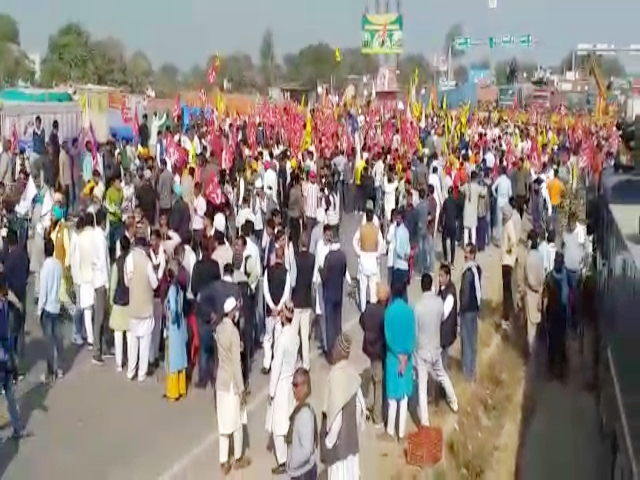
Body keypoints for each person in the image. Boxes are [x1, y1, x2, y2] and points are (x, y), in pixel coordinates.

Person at [413, 273, 458, 426]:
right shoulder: (439, 302)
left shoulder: (417, 307)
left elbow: (415, 331)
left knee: (422, 386)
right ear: (431, 285)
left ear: (421, 287)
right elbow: (442, 318)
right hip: (436, 347)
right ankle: (454, 401)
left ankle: (425, 421)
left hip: (422, 350)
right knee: (442, 375)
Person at [321, 333, 366, 479]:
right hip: (351, 441)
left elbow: (336, 415)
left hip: (339, 446)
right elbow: (360, 406)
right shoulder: (352, 374)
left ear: (338, 352)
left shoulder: (335, 376)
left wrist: (329, 442)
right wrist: (356, 429)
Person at [215, 296, 251, 474]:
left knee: (223, 422)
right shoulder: (234, 333)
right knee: (237, 421)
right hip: (231, 382)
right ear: (231, 312)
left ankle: (223, 461)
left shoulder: (220, 329)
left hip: (220, 380)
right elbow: (236, 363)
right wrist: (242, 387)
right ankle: (237, 457)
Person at [266, 301, 300, 474]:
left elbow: (276, 366)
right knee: (289, 419)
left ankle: (283, 460)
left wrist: (271, 392)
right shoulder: (295, 335)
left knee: (278, 425)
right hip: (291, 381)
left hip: (281, 384)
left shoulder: (283, 340)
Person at [381, 281, 416, 441]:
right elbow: (413, 336)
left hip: (393, 359)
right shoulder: (410, 312)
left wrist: (397, 355)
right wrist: (405, 355)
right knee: (403, 398)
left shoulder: (389, 312)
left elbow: (388, 337)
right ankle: (401, 434)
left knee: (392, 397)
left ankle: (389, 431)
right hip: (406, 360)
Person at [124, 236, 159, 382]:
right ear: (144, 247)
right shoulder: (147, 262)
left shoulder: (129, 259)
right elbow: (155, 284)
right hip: (146, 307)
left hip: (133, 306)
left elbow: (127, 282)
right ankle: (141, 374)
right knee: (145, 343)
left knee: (133, 342)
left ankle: (131, 371)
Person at [359, 282, 389, 427]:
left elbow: (361, 321)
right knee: (379, 383)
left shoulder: (370, 308)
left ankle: (367, 408)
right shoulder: (385, 313)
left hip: (369, 348)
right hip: (379, 351)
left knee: (373, 378)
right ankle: (377, 417)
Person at [37, 238, 64, 382]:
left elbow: (43, 292)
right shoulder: (58, 265)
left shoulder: (45, 268)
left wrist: (38, 309)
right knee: (58, 340)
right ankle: (59, 369)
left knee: (49, 342)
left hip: (47, 308)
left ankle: (50, 372)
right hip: (57, 306)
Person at [0, 279, 24, 439]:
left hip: (3, 353)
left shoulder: (3, 303)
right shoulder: (3, 303)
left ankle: (16, 427)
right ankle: (16, 428)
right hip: (4, 354)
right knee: (9, 393)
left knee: (8, 391)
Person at [262, 247, 291, 373]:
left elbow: (265, 290)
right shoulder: (286, 272)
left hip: (270, 311)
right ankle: (276, 364)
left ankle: (266, 363)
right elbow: (286, 293)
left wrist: (272, 306)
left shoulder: (268, 271)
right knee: (278, 338)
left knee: (268, 337)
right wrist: (279, 307)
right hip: (280, 313)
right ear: (283, 258)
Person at [352, 202, 385, 312]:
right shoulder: (376, 230)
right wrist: (377, 254)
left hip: (364, 258)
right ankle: (372, 308)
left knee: (362, 287)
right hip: (373, 260)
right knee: (372, 287)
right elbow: (381, 243)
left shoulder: (361, 228)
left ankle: (363, 309)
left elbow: (354, 241)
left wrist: (359, 252)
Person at [287, 367, 318, 480]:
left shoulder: (304, 414)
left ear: (305, 386)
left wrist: (291, 464)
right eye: (293, 385)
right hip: (302, 470)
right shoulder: (303, 405)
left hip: (302, 473)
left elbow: (306, 450)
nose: (293, 389)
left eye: (296, 385)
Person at [542, 253, 569, 380]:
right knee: (561, 341)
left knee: (552, 341)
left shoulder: (549, 277)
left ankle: (551, 369)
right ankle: (562, 371)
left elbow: (545, 296)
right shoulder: (566, 276)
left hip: (552, 313)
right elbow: (571, 294)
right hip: (561, 312)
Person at [165, 259, 189, 401]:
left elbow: (173, 309)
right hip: (181, 327)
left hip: (174, 327)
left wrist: (170, 317)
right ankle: (181, 388)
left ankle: (173, 392)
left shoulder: (172, 289)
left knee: (173, 360)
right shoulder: (180, 287)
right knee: (181, 358)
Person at [459, 244, 482, 381]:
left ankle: (467, 374)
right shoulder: (477, 269)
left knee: (466, 341)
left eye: (467, 253)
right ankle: (473, 370)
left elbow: (465, 294)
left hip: (467, 311)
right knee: (473, 341)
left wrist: (461, 310)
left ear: (473, 255)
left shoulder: (467, 272)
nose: (465, 255)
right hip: (475, 309)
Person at [292, 234, 315, 370]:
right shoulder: (312, 258)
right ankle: (306, 363)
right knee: (305, 334)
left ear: (300, 244)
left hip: (296, 300)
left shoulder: (296, 259)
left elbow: (294, 281)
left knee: (295, 334)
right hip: (307, 299)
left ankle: (294, 361)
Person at [109, 235, 131, 373]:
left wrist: (110, 301)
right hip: (129, 301)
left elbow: (113, 284)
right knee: (129, 334)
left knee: (118, 334)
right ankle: (130, 360)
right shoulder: (131, 262)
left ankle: (118, 363)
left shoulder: (116, 264)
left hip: (118, 301)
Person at [524, 232, 544, 354]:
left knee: (530, 327)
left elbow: (526, 279)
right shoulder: (540, 257)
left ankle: (531, 352)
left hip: (530, 294)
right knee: (537, 324)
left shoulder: (528, 258)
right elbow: (542, 275)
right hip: (539, 295)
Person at [501, 204, 517, 330]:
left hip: (507, 261)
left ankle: (507, 317)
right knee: (508, 290)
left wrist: (507, 249)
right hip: (508, 261)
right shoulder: (510, 222)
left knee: (506, 291)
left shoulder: (508, 225)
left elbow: (513, 241)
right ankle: (509, 314)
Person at [438, 264, 457, 370]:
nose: (439, 279)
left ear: (448, 276)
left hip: (445, 332)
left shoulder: (450, 293)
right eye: (439, 276)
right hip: (443, 331)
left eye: (442, 276)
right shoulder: (443, 289)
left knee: (442, 361)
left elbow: (443, 314)